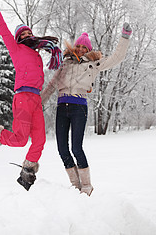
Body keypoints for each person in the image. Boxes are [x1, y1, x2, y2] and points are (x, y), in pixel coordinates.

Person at [0, 0, 63, 191]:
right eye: (22, 34)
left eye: (28, 33)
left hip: (35, 100)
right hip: (22, 98)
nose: (26, 35)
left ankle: (27, 174)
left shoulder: (38, 56)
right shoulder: (16, 49)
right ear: (17, 38)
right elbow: (4, 30)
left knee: (39, 140)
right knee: (21, 140)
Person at [41, 24, 132, 196]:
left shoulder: (93, 64)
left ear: (88, 49)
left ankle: (87, 186)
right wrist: (39, 103)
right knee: (62, 149)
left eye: (85, 47)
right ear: (75, 47)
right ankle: (76, 186)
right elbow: (52, 85)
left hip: (78, 107)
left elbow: (116, 58)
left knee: (76, 148)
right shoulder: (65, 63)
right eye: (79, 46)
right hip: (62, 107)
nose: (81, 49)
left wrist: (124, 38)